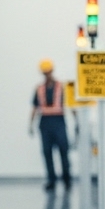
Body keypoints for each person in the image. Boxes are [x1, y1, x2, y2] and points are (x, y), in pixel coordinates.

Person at [30, 59, 72, 190]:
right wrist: (30, 124)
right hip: (45, 123)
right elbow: (35, 107)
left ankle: (66, 179)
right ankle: (51, 180)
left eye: (48, 72)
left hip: (59, 121)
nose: (47, 75)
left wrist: (77, 122)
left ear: (52, 71)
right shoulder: (39, 89)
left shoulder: (62, 86)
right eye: (45, 73)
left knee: (63, 151)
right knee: (47, 153)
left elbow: (70, 104)